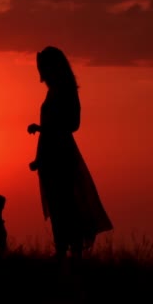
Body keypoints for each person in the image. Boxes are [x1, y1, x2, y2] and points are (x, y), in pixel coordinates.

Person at [28, 46, 113, 267]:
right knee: (57, 206)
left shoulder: (66, 91)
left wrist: (44, 129)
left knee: (67, 204)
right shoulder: (53, 91)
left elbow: (73, 124)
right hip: (49, 155)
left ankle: (73, 253)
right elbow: (48, 128)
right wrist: (38, 158)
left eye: (43, 68)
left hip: (62, 154)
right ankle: (62, 251)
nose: (41, 75)